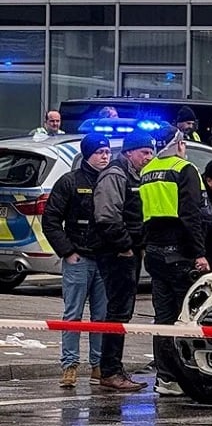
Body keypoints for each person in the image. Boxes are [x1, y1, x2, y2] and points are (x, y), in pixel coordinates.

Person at [139, 124, 212, 396]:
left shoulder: (147, 171)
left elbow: (142, 215)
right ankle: (189, 376)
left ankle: (166, 377)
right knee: (188, 318)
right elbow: (191, 214)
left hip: (155, 252)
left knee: (163, 318)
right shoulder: (185, 170)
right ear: (179, 144)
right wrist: (199, 253)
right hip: (180, 253)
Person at [42, 133, 111, 388]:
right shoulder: (70, 182)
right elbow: (50, 220)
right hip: (78, 259)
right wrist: (67, 251)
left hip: (104, 259)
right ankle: (69, 366)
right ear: (87, 154)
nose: (104, 157)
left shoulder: (112, 180)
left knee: (102, 317)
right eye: (99, 152)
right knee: (73, 315)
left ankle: (99, 366)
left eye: (107, 152)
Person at [93, 130, 156, 392]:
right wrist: (126, 247)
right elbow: (107, 216)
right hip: (116, 253)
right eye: (144, 152)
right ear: (130, 152)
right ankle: (110, 370)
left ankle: (112, 368)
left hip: (126, 251)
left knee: (121, 311)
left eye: (152, 153)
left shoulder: (132, 175)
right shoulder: (116, 174)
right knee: (117, 312)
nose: (148, 158)